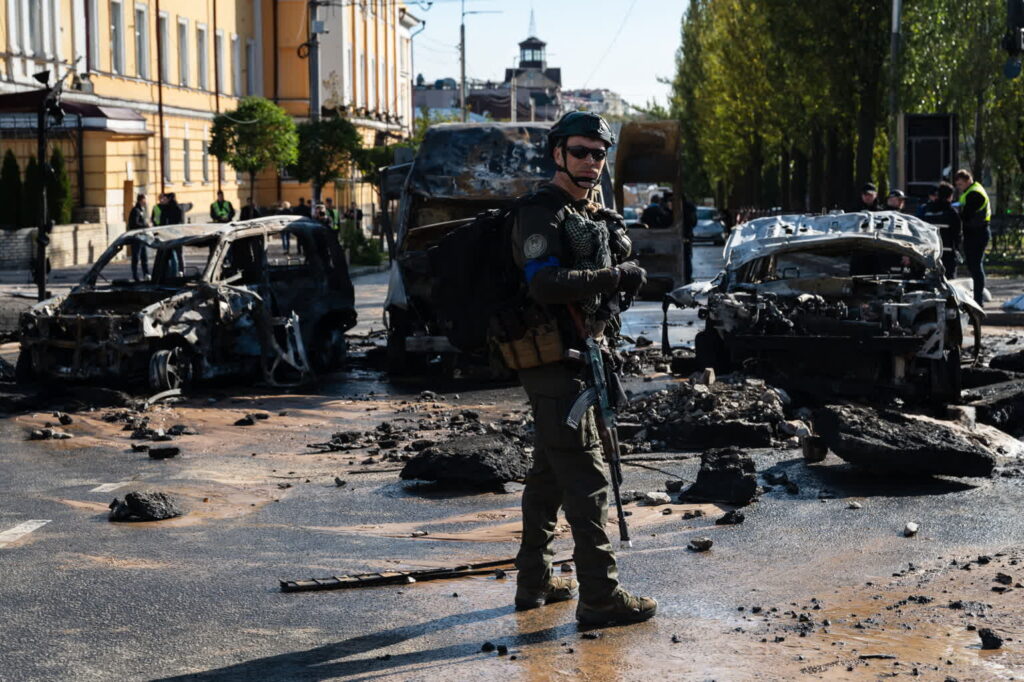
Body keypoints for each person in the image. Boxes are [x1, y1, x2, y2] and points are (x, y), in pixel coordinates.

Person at [511, 110, 656, 626]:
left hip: (583, 356)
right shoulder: (541, 211)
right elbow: (543, 283)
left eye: (598, 153)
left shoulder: (590, 210)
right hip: (555, 362)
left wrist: (619, 276)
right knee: (590, 477)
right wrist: (612, 275)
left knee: (550, 476)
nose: (590, 161)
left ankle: (533, 583)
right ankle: (599, 596)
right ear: (557, 154)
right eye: (580, 151)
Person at [953, 168, 991, 306]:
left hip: (977, 233)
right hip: (976, 232)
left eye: (960, 184)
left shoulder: (974, 193)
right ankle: (977, 299)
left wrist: (957, 211)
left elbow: (966, 215)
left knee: (975, 267)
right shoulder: (971, 191)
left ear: (968, 180)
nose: (959, 187)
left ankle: (978, 300)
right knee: (974, 266)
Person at [920, 181, 962, 277]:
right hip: (947, 253)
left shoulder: (927, 210)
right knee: (949, 281)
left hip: (930, 253)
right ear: (950, 196)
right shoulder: (952, 213)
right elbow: (957, 234)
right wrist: (957, 249)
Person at [127, 193, 150, 281]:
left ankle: (146, 274)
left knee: (144, 257)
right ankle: (135, 275)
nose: (146, 202)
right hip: (137, 238)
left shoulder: (142, 210)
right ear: (141, 200)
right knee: (136, 257)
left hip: (142, 237)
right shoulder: (136, 210)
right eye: (145, 200)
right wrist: (145, 225)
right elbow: (134, 224)